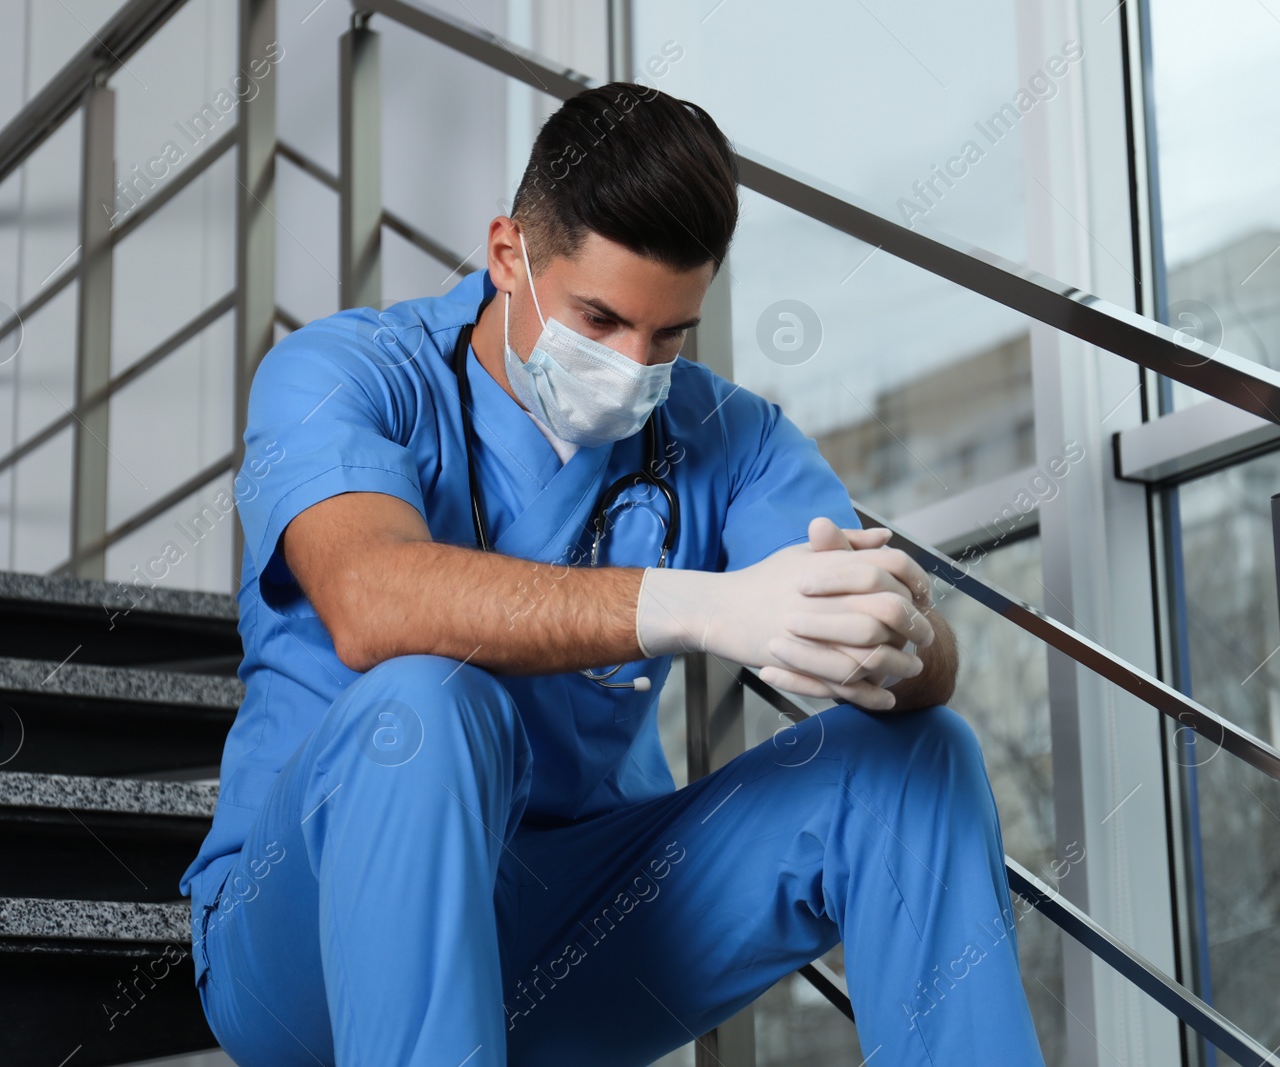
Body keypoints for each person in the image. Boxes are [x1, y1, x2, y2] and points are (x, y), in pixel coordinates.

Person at [181, 80, 1045, 1066]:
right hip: (310, 940)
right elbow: (370, 599)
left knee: (919, 758)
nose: (634, 369)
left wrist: (894, 632)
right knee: (424, 703)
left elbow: (913, 657)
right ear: (507, 255)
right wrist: (695, 604)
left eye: (667, 336)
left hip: (574, 928)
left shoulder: (727, 437)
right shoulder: (345, 374)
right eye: (598, 321)